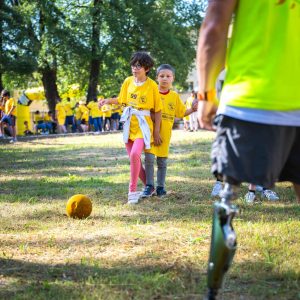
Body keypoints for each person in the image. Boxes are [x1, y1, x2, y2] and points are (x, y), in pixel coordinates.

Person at [197, 1, 300, 299]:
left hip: (252, 100)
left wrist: (205, 94)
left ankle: (212, 293)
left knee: (227, 204)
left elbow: (215, 25)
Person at [99, 51, 162, 204]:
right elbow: (121, 100)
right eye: (133, 65)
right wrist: (107, 100)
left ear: (146, 68)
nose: (135, 69)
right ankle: (150, 186)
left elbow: (158, 110)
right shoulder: (128, 82)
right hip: (129, 124)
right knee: (134, 159)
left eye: (139, 66)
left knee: (135, 155)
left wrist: (156, 131)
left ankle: (132, 191)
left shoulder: (152, 85)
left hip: (143, 125)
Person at [141, 64, 198, 198]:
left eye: (168, 76)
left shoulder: (174, 96)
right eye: (162, 76)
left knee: (162, 162)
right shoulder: (151, 93)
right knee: (149, 159)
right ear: (157, 78)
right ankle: (149, 185)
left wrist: (193, 109)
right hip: (150, 133)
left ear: (173, 78)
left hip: (165, 135)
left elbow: (181, 112)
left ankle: (161, 187)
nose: (165, 79)